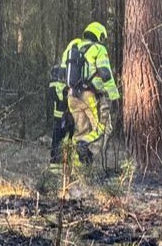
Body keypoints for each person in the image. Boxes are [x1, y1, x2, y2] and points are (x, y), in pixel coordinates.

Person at [49, 21, 121, 168]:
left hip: (72, 97)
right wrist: (115, 96)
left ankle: (80, 171)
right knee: (103, 129)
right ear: (99, 35)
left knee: (80, 132)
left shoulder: (73, 47)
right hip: (89, 97)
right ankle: (85, 146)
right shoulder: (98, 49)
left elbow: (62, 73)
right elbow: (106, 74)